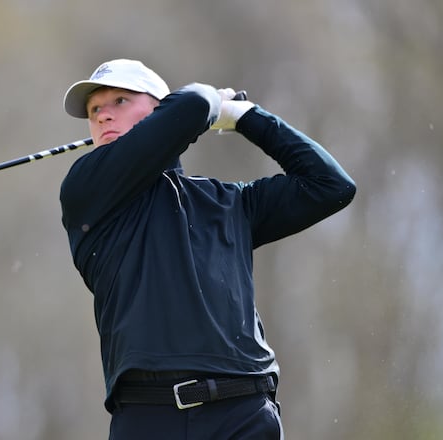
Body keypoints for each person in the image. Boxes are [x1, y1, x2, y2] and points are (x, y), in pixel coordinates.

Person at [58, 59, 356, 439]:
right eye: (94, 110)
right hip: (149, 415)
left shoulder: (230, 203)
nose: (102, 117)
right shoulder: (87, 191)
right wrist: (213, 105)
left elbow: (331, 185)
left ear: (158, 109)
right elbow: (196, 103)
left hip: (244, 410)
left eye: (119, 100)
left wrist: (248, 118)